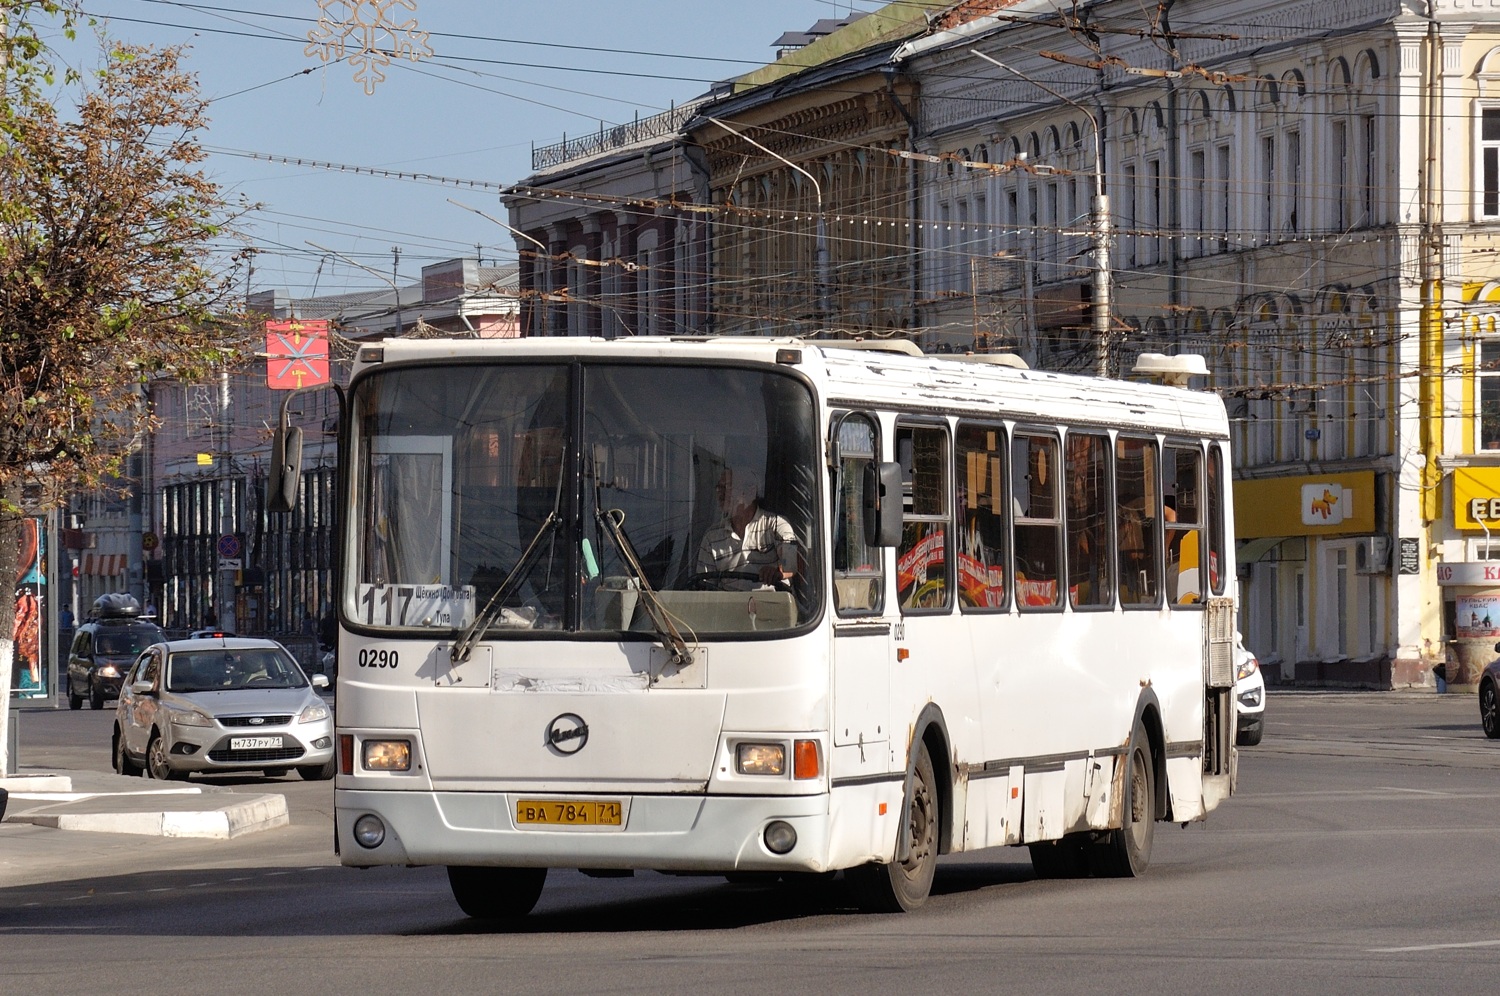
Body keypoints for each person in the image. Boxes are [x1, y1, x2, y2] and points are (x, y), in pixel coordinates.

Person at [696, 467, 796, 588]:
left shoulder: (776, 524)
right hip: (726, 605)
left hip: (771, 604)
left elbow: (792, 561)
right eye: (718, 488)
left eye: (727, 487)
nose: (720, 494)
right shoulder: (712, 537)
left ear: (750, 492)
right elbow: (705, 587)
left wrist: (777, 572)